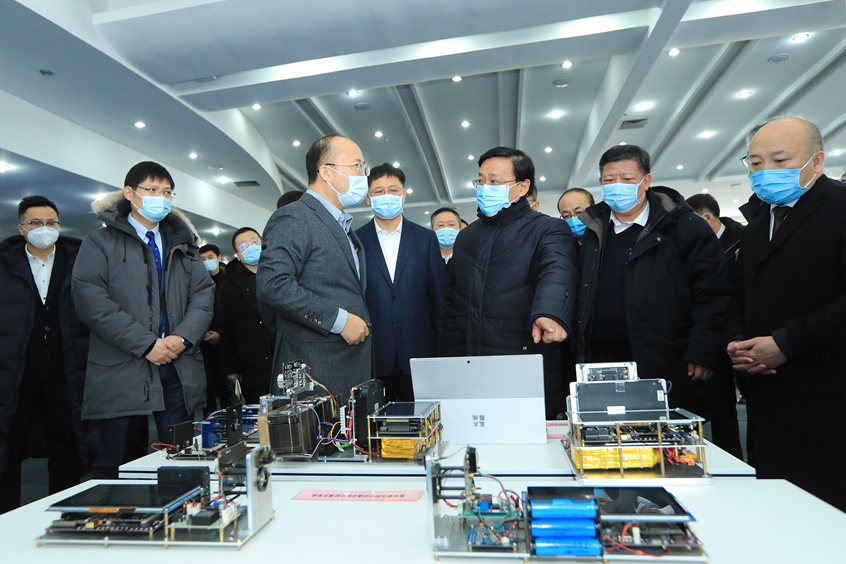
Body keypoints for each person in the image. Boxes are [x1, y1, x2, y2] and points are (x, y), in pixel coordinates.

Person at [726, 116, 846, 511]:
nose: (766, 172)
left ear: (816, 161)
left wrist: (785, 343)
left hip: (828, 393)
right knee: (777, 506)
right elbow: (741, 294)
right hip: (768, 393)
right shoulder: (757, 225)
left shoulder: (839, 209)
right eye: (755, 163)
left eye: (780, 161)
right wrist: (738, 344)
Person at [72, 161, 214, 479]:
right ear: (130, 193)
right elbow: (91, 302)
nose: (160, 198)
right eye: (151, 190)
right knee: (115, 463)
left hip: (177, 365)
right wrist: (147, 344)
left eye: (167, 192)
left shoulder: (184, 244)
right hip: (121, 366)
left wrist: (182, 338)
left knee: (181, 459)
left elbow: (203, 295)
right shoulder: (100, 241)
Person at [574, 145, 728, 417]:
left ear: (646, 181)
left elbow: (712, 293)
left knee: (661, 432)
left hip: (664, 354)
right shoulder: (593, 229)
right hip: (602, 355)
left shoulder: (685, 227)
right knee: (609, 428)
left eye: (627, 179)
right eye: (609, 180)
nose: (617, 186)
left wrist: (704, 350)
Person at [441, 147, 577, 419]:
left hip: (523, 358)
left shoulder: (547, 228)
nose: (485, 188)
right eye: (481, 181)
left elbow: (557, 270)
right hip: (469, 361)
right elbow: (452, 297)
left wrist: (550, 313)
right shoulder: (467, 237)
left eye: (494, 181)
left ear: (523, 186)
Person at [257, 135, 372, 398]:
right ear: (326, 172)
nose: (363, 175)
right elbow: (273, 285)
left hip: (346, 365)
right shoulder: (295, 216)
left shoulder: (343, 226)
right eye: (357, 166)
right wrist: (339, 321)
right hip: (315, 368)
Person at [0, 196, 89, 514]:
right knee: (9, 443)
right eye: (35, 223)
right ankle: (6, 519)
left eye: (51, 223)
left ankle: (64, 515)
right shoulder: (5, 264)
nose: (44, 228)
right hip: (16, 368)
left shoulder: (78, 261)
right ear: (22, 228)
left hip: (65, 366)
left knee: (66, 441)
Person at [356, 164, 445, 401]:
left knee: (420, 417)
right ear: (368, 198)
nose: (387, 196)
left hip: (419, 351)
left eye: (393, 190)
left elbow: (438, 298)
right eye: (379, 191)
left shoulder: (426, 238)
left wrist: (442, 351)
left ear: (404, 195)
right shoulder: (355, 241)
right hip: (373, 353)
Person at [686, 193, 744, 459]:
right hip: (710, 335)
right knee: (719, 405)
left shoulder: (744, 240)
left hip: (742, 332)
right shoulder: (692, 247)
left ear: (707, 218)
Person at [218, 228, 275, 404]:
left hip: (283, 352)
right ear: (238, 255)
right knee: (261, 410)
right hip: (251, 360)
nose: (250, 247)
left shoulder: (279, 273)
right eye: (243, 246)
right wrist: (231, 368)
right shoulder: (229, 285)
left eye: (254, 242)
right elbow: (226, 328)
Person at [198, 243, 234, 412]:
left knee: (226, 386)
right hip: (203, 341)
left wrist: (220, 334)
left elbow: (232, 312)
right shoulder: (197, 281)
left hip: (225, 341)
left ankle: (230, 421)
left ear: (219, 258)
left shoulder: (230, 280)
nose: (207, 261)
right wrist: (202, 332)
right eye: (203, 259)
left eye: (210, 257)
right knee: (207, 386)